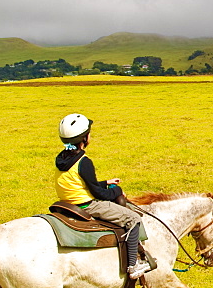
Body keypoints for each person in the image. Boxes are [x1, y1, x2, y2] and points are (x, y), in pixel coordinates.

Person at [54, 113, 152, 278]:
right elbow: (97, 193)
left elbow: (80, 183)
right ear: (84, 138)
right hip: (87, 205)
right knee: (133, 219)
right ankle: (133, 266)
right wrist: (116, 191)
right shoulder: (83, 161)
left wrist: (106, 182)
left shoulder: (62, 158)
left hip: (66, 203)